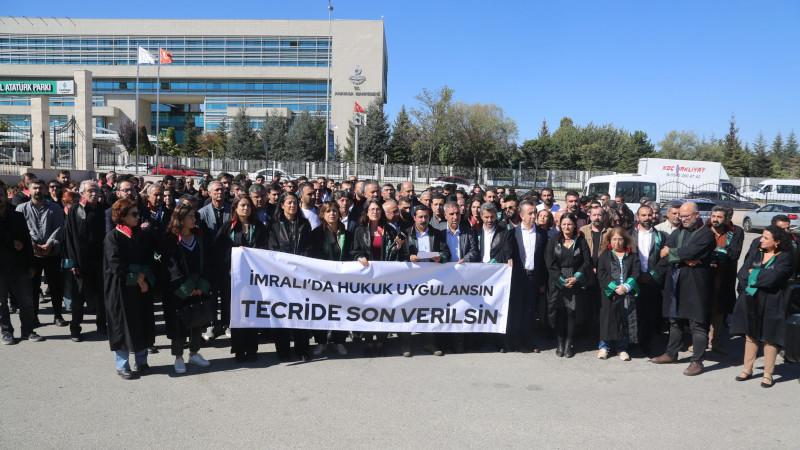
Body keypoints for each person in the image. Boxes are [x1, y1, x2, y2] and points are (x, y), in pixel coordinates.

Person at [652, 201, 716, 376]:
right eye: (681, 216)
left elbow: (693, 251)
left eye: (686, 216)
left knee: (697, 323)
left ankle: (697, 361)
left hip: (696, 285)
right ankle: (671, 354)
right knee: (675, 320)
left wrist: (675, 253)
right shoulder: (678, 232)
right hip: (675, 281)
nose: (683, 219)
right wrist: (683, 257)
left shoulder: (706, 234)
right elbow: (665, 253)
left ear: (697, 214)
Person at [731, 226, 793, 388]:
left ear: (777, 242)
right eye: (762, 236)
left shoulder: (785, 257)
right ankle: (747, 369)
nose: (761, 240)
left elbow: (774, 278)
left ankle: (768, 374)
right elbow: (742, 274)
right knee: (750, 335)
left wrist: (754, 273)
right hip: (752, 298)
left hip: (773, 301)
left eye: (766, 238)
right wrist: (757, 275)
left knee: (769, 338)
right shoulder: (755, 253)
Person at [103, 199, 156, 379]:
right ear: (122, 216)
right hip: (121, 288)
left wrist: (143, 277)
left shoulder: (141, 234)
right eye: (134, 214)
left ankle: (141, 361)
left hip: (141, 287)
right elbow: (116, 264)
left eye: (138, 213)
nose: (138, 216)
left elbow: (149, 257)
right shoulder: (113, 237)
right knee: (122, 326)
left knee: (142, 322)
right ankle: (122, 365)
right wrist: (138, 278)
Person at [216, 194, 269, 363]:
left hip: (254, 279)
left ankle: (252, 349)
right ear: (235, 208)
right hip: (234, 279)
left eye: (248, 206)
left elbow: (266, 248)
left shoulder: (259, 227)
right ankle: (239, 350)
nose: (246, 208)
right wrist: (234, 252)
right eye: (242, 205)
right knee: (237, 314)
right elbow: (218, 250)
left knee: (252, 313)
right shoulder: (227, 227)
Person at [162, 203, 213, 373]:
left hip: (198, 285)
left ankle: (194, 353)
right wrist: (187, 287)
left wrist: (201, 285)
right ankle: (178, 357)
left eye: (194, 216)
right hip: (179, 288)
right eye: (190, 216)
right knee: (178, 324)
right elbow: (171, 265)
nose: (194, 219)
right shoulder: (171, 239)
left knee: (196, 320)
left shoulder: (199, 236)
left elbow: (207, 261)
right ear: (181, 219)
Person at [353, 199, 406, 356]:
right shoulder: (360, 230)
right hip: (367, 277)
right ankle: (369, 342)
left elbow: (397, 253)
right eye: (372, 209)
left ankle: (381, 341)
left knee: (383, 310)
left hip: (385, 277)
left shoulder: (389, 230)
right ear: (367, 212)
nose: (375, 212)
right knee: (368, 310)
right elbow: (354, 250)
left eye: (377, 209)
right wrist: (359, 256)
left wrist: (398, 248)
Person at [268, 192, 313, 361]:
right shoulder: (274, 225)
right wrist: (285, 265)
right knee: (281, 313)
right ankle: (283, 350)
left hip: (300, 275)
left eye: (294, 202)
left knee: (300, 312)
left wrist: (299, 263)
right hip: (281, 276)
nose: (292, 205)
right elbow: (272, 248)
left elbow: (308, 247)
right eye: (289, 202)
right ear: (282, 205)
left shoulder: (304, 223)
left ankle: (302, 349)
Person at [399, 204, 448, 357]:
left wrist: (440, 257)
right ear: (414, 218)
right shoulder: (405, 234)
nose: (423, 220)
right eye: (420, 217)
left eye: (426, 217)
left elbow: (446, 252)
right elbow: (397, 255)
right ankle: (405, 343)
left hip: (431, 279)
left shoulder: (436, 233)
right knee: (408, 311)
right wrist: (408, 257)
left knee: (429, 311)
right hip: (411, 279)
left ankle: (429, 342)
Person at [17, 179, 66, 328]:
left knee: (55, 286)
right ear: (29, 190)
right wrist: (32, 244)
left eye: (40, 188)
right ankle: (34, 316)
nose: (38, 191)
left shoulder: (55, 208)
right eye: (35, 188)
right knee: (33, 286)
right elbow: (19, 229)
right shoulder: (21, 208)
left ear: (45, 190)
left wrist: (49, 244)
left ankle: (58, 315)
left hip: (52, 252)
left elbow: (59, 227)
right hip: (31, 254)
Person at [63, 180, 107, 342]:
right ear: (82, 193)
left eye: (96, 190)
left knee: (102, 294)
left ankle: (102, 324)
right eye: (90, 191)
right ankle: (75, 328)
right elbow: (68, 238)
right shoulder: (75, 210)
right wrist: (72, 262)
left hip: (101, 260)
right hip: (80, 261)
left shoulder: (105, 210)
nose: (94, 193)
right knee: (78, 296)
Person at [309, 201, 353, 357]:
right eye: (328, 211)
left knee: (341, 310)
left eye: (335, 211)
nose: (332, 214)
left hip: (342, 280)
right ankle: (321, 342)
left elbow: (351, 253)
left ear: (339, 214)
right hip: (322, 280)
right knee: (320, 310)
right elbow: (311, 256)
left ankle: (339, 341)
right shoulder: (316, 234)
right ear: (323, 215)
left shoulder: (347, 233)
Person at [545, 213, 591, 358]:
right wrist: (560, 280)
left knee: (571, 313)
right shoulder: (553, 241)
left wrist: (576, 278)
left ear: (574, 225)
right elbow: (549, 263)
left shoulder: (581, 241)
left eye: (570, 224)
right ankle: (560, 342)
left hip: (574, 280)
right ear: (559, 225)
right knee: (559, 313)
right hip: (558, 281)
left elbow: (586, 262)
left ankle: (569, 343)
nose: (567, 227)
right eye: (564, 224)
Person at [0, 183, 41, 344]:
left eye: (1, 194)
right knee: (1, 303)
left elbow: (26, 240)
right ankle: (6, 331)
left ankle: (28, 330)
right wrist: (11, 242)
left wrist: (31, 265)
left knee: (26, 300)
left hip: (19, 265)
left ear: (6, 196)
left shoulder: (17, 216)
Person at [476, 202, 516, 352]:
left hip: (497, 276)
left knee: (497, 309)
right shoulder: (475, 232)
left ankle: (500, 342)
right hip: (479, 277)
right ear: (481, 216)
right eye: (486, 217)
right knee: (481, 309)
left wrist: (491, 265)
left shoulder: (504, 232)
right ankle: (481, 340)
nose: (489, 220)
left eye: (492, 217)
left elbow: (506, 253)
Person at [509, 200, 549, 353]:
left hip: (533, 278)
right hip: (517, 278)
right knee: (516, 310)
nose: (533, 216)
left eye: (534, 213)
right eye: (530, 213)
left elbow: (544, 260)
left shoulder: (541, 234)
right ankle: (515, 340)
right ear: (521, 215)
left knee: (530, 311)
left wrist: (542, 281)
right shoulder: (512, 233)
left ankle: (528, 340)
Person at [596, 227, 641, 361]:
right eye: (614, 239)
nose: (617, 242)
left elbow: (636, 272)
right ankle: (604, 347)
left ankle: (622, 348)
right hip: (610, 294)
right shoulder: (605, 256)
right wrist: (614, 287)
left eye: (620, 239)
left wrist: (626, 286)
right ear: (610, 240)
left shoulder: (632, 256)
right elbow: (601, 274)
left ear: (625, 240)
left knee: (624, 321)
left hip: (626, 293)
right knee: (607, 321)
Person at [630, 205, 667, 355]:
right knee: (634, 311)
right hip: (634, 279)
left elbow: (664, 259)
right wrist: (637, 275)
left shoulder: (661, 236)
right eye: (643, 215)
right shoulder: (629, 234)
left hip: (652, 279)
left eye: (649, 215)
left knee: (650, 313)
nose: (647, 218)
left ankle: (647, 342)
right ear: (637, 217)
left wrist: (653, 274)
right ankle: (632, 341)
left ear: (654, 216)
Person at [443, 201, 479, 353]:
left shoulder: (468, 232)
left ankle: (460, 342)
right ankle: (445, 341)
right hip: (444, 276)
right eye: (451, 214)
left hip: (463, 276)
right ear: (445, 215)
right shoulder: (439, 232)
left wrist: (466, 259)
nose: (455, 217)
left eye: (457, 213)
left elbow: (474, 251)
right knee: (446, 310)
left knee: (461, 310)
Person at [707, 206, 744, 355]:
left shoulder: (735, 232)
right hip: (703, 277)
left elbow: (733, 254)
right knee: (703, 309)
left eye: (719, 217)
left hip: (723, 277)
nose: (715, 219)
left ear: (726, 218)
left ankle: (714, 341)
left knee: (718, 310)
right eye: (713, 216)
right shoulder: (703, 230)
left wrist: (714, 253)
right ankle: (700, 341)